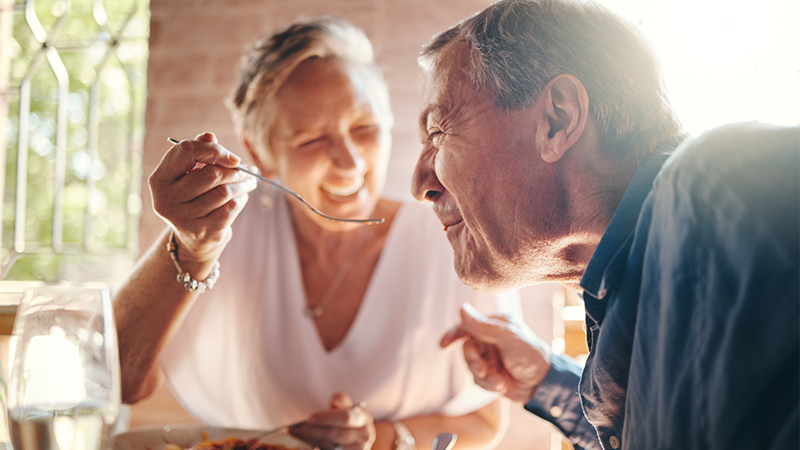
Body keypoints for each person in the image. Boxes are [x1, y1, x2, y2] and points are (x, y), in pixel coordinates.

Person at [113, 16, 520, 450]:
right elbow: (122, 380)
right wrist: (191, 246)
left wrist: (381, 438)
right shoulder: (217, 227)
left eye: (364, 129)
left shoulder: (453, 238)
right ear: (259, 152)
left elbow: (486, 418)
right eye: (310, 139)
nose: (348, 161)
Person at [410, 0, 800, 449]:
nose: (421, 183)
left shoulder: (719, 195)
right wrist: (545, 382)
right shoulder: (632, 286)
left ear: (558, 118)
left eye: (439, 132)